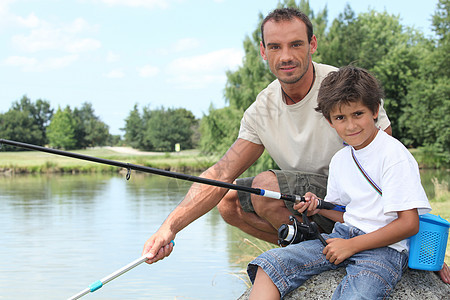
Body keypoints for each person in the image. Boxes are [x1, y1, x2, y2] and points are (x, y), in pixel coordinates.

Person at [142, 7, 391, 262]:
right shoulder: (262, 108)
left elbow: (388, 152)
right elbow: (221, 173)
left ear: (312, 44)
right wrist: (169, 228)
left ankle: (319, 254)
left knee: (266, 186)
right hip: (305, 202)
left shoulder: (344, 86)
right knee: (228, 199)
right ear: (263, 51)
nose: (286, 56)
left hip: (352, 201)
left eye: (296, 44)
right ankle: (314, 250)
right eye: (275, 47)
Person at [247, 66, 433, 299]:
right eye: (340, 118)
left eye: (358, 114)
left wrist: (353, 246)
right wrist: (318, 206)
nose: (351, 126)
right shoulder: (341, 159)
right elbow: (346, 214)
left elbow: (409, 224)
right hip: (342, 236)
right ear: (329, 120)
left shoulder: (393, 155)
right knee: (269, 265)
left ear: (375, 110)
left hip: (384, 250)